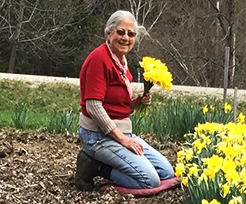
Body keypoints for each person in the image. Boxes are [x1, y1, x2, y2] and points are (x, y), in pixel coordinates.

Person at [74, 10, 175, 191]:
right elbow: (94, 106)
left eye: (131, 34)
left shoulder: (121, 61)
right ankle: (95, 167)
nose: (125, 38)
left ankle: (118, 164)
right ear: (108, 33)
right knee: (149, 181)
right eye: (120, 32)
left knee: (166, 172)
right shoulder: (99, 59)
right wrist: (122, 140)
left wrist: (137, 101)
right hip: (98, 137)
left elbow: (118, 108)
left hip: (121, 133)